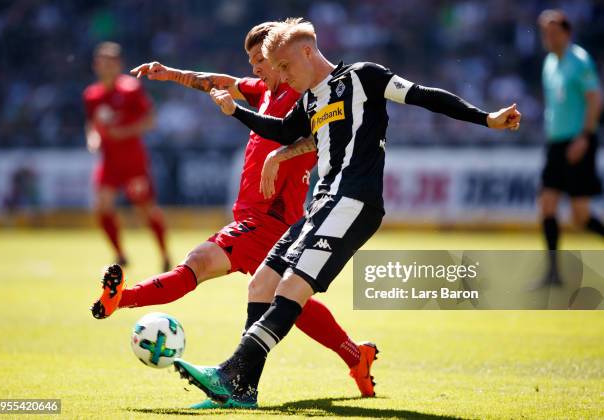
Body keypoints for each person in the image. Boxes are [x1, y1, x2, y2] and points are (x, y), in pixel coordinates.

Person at [173, 17, 522, 408]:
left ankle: (230, 373)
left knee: (290, 287)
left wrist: (485, 118)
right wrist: (236, 111)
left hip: (355, 202)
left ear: (308, 51)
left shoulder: (364, 77)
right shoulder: (310, 98)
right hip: (322, 203)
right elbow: (285, 132)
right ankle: (241, 391)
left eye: (286, 67)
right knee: (262, 285)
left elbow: (426, 96)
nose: (283, 77)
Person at [90, 23, 378, 408]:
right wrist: (170, 73)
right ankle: (355, 355)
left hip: (269, 220)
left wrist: (282, 154)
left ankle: (123, 300)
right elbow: (217, 81)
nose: (256, 68)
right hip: (262, 218)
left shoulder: (306, 97)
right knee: (290, 302)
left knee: (200, 261)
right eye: (252, 61)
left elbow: (322, 138)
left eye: (262, 61)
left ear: (283, 60)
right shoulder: (264, 91)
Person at [83, 42, 170, 271]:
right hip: (109, 161)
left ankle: (164, 254)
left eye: (111, 62)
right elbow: (92, 124)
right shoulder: (92, 95)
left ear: (119, 64)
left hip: (133, 161)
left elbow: (149, 121)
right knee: (102, 206)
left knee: (145, 209)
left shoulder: (130, 89)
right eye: (102, 62)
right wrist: (93, 139)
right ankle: (120, 255)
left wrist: (122, 132)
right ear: (96, 65)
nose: (106, 66)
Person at [537, 9, 603, 286]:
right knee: (547, 205)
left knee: (580, 216)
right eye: (545, 33)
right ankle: (553, 273)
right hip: (555, 143)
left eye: (553, 32)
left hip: (577, 141)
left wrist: (585, 136)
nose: (548, 38)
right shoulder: (550, 63)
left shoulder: (579, 60)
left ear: (567, 33)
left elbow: (594, 98)